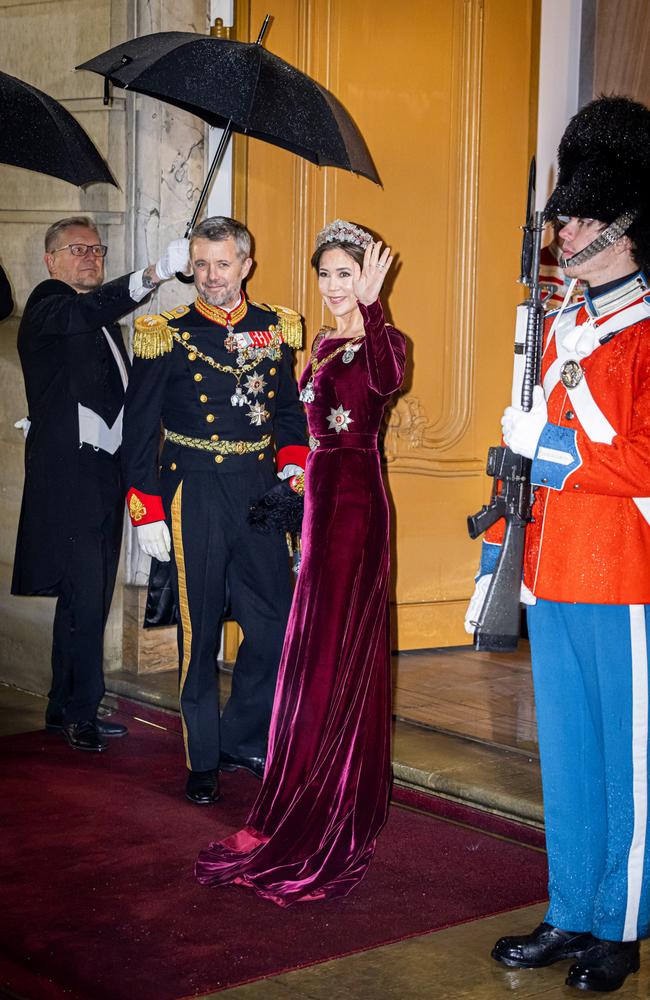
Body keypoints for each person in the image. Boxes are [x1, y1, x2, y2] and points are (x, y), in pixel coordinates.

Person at [467, 96, 650, 992]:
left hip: (626, 572)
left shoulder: (646, 330)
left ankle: (621, 924)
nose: (561, 229)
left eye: (575, 218)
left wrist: (561, 447)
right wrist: (501, 540)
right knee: (570, 753)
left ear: (619, 229)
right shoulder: (556, 323)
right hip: (551, 565)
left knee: (631, 761)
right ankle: (571, 906)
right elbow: (526, 460)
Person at [195, 219, 406, 905]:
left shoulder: (384, 341)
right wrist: (289, 484)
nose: (335, 286)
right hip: (314, 503)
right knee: (308, 647)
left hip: (355, 506)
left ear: (367, 281)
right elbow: (301, 422)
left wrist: (374, 308)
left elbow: (387, 380)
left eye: (347, 274)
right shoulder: (314, 343)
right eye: (328, 275)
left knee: (337, 647)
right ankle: (300, 772)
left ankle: (334, 785)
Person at [122, 216, 309, 806]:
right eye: (201, 264)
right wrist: (145, 508)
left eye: (223, 264)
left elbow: (286, 414)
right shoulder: (165, 331)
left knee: (275, 628)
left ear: (246, 265)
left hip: (258, 490)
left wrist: (292, 471)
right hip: (193, 490)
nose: (211, 277)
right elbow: (139, 427)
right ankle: (201, 755)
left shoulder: (275, 328)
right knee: (198, 631)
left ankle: (240, 735)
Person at [11, 215, 189, 753]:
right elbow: (87, 309)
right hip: (71, 479)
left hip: (103, 475)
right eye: (76, 249)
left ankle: (63, 706)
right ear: (50, 260)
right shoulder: (49, 304)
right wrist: (155, 272)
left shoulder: (100, 322)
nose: (90, 256)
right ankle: (80, 713)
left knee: (84, 597)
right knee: (84, 597)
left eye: (97, 249)